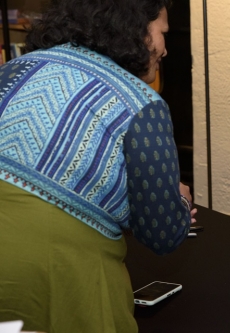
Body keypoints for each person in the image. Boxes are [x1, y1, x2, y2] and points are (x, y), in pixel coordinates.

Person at [0, 0, 195, 332]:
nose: (164, 48)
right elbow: (161, 235)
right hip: (61, 274)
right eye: (162, 32)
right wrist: (181, 202)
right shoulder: (143, 106)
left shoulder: (14, 69)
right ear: (136, 28)